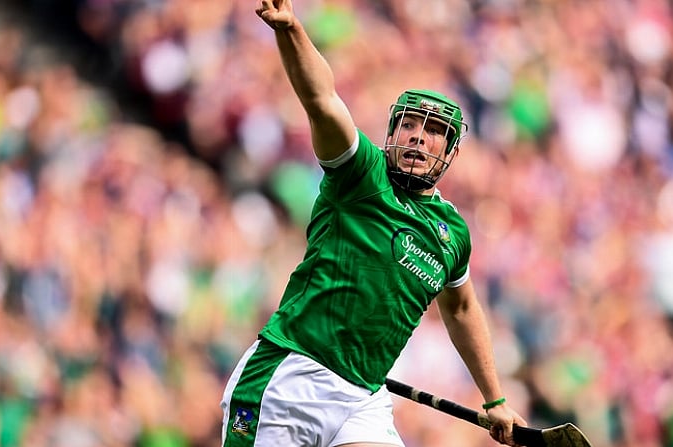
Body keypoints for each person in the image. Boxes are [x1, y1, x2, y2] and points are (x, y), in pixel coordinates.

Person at [220, 1, 528, 446]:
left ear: (452, 151)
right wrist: (290, 30)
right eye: (410, 125)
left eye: (435, 130)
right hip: (289, 377)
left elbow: (460, 308)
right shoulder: (361, 173)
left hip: (363, 397)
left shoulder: (452, 232)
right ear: (392, 132)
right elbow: (321, 100)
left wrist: (495, 398)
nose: (419, 136)